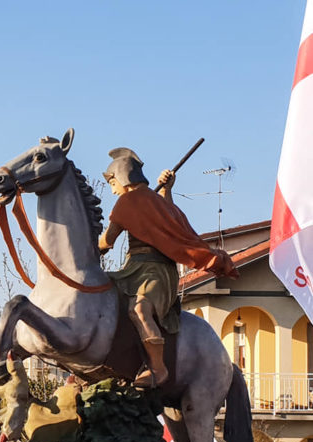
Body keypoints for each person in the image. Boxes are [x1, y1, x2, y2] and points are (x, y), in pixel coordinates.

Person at [99, 148, 238, 387]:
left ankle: (158, 369)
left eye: (112, 182)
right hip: (131, 269)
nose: (112, 189)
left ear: (121, 177)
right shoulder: (140, 202)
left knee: (139, 309)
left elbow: (107, 241)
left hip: (156, 271)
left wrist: (166, 190)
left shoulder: (129, 203)